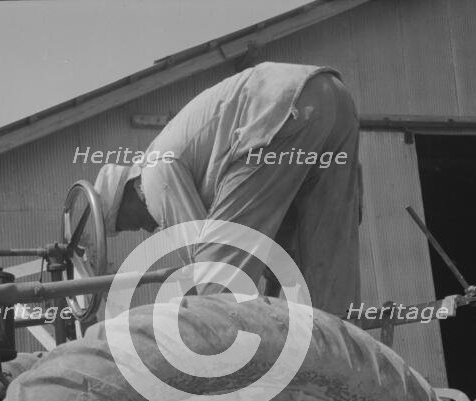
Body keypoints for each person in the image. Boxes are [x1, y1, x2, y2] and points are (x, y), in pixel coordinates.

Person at [94, 61, 361, 315]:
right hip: (333, 98)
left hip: (277, 111)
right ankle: (343, 350)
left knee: (217, 286)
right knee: (327, 256)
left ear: (127, 195)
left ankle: (237, 357)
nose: (141, 228)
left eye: (125, 223)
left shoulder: (152, 176)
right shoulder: (170, 153)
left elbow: (205, 254)